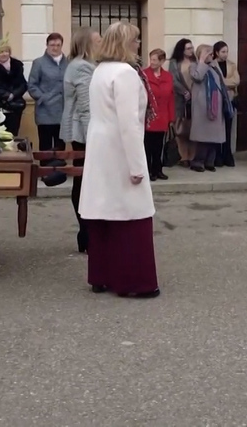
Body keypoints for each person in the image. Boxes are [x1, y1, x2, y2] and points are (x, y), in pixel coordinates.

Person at [79, 21, 159, 299]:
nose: (139, 45)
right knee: (131, 214)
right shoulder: (125, 73)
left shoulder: (100, 71)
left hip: (101, 144)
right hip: (119, 147)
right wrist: (137, 166)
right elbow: (129, 124)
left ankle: (101, 275)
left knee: (103, 211)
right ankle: (134, 282)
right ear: (126, 43)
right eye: (135, 41)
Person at [62, 27, 99, 253]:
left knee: (84, 180)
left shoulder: (88, 65)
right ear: (86, 44)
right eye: (98, 40)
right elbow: (86, 108)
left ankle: (86, 233)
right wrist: (93, 137)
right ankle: (85, 233)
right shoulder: (81, 67)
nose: (102, 42)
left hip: (84, 131)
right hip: (83, 132)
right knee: (83, 181)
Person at [187, 44, 230, 172]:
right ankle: (198, 162)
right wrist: (201, 61)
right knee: (203, 137)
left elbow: (221, 83)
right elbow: (198, 76)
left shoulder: (215, 66)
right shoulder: (194, 66)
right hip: (202, 107)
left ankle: (210, 161)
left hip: (215, 106)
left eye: (211, 54)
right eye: (208, 54)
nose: (211, 56)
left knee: (214, 136)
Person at [27, 33, 68, 160]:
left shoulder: (68, 63)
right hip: (45, 110)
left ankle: (59, 171)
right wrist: (42, 98)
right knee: (45, 144)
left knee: (60, 143)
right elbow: (32, 85)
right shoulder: (39, 63)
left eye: (58, 45)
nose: (55, 48)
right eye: (52, 45)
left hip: (63, 110)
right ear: (47, 45)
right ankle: (46, 172)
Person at [143, 49, 174, 182]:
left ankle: (158, 169)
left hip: (162, 116)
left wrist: (172, 118)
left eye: (155, 60)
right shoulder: (144, 75)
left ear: (162, 61)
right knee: (148, 145)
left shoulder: (167, 76)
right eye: (151, 59)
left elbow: (171, 98)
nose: (152, 62)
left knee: (159, 145)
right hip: (149, 116)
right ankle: (148, 170)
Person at [168, 38, 195, 168]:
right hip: (180, 100)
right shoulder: (174, 63)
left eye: (192, 48)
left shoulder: (195, 62)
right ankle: (183, 156)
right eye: (188, 48)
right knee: (180, 130)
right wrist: (184, 92)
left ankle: (192, 156)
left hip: (195, 100)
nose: (191, 50)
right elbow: (173, 80)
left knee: (193, 130)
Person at [213, 41, 239, 167]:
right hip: (217, 100)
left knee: (228, 128)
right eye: (223, 52)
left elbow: (236, 80)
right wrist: (225, 82)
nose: (225, 54)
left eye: (226, 51)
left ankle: (227, 156)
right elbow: (215, 82)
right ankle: (217, 157)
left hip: (229, 99)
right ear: (216, 52)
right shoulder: (212, 65)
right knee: (218, 129)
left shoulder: (232, 65)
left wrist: (223, 81)